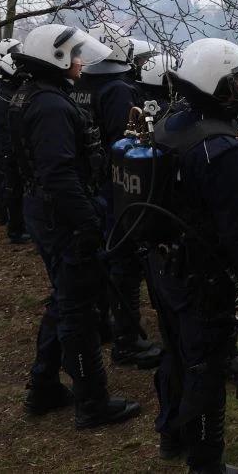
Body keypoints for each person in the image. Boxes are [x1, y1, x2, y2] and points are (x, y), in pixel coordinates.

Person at [144, 38, 238, 473]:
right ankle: (205, 462)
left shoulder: (171, 122)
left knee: (175, 353)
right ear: (219, 86)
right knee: (206, 365)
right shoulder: (222, 151)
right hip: (201, 276)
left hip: (162, 265)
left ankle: (170, 435)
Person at [9, 24, 141, 429]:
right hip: (62, 216)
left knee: (64, 300)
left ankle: (43, 385)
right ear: (57, 58)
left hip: (48, 213)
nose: (81, 62)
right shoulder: (50, 106)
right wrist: (87, 225)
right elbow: (60, 174)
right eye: (75, 55)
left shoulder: (35, 95)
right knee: (79, 311)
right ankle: (92, 402)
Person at [79, 25, 162, 369]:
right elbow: (124, 142)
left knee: (106, 258)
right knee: (124, 261)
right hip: (114, 186)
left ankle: (108, 326)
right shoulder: (116, 90)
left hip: (93, 182)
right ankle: (128, 340)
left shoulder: (83, 86)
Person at [0, 54, 30, 244]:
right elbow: (1, 128)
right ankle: (15, 229)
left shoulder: (4, 91)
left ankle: (15, 224)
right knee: (13, 189)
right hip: (9, 151)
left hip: (8, 149)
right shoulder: (2, 96)